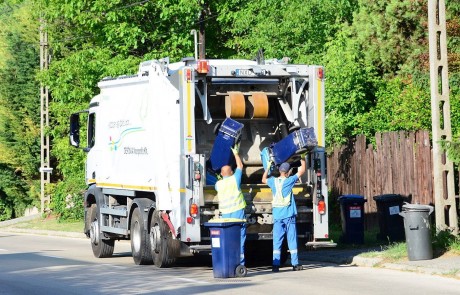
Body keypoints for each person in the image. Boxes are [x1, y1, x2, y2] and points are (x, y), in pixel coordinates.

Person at [262, 154, 306, 272]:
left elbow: (263, 179)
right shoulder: (289, 181)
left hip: (277, 216)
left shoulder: (273, 182)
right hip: (288, 215)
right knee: (291, 239)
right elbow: (302, 170)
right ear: (287, 172)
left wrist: (268, 167)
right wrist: (303, 157)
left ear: (279, 171)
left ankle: (275, 265)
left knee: (277, 240)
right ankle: (295, 264)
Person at [215, 143, 246, 265]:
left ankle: (228, 262)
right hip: (238, 213)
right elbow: (240, 165)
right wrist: (235, 153)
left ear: (222, 174)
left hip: (226, 215)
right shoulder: (235, 179)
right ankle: (240, 264)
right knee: (240, 239)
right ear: (232, 172)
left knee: (227, 239)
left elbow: (219, 181)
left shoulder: (218, 184)